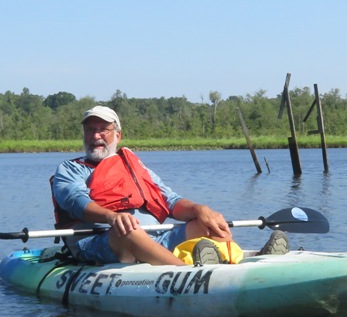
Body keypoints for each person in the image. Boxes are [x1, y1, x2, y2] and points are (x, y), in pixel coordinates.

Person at [51, 105, 288, 266]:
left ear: (118, 135)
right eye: (90, 130)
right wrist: (112, 217)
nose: (95, 136)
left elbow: (171, 201)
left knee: (208, 223)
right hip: (101, 241)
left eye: (103, 129)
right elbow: (76, 202)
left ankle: (244, 261)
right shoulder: (71, 169)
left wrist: (199, 210)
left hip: (156, 237)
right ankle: (186, 273)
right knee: (127, 228)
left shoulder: (136, 167)